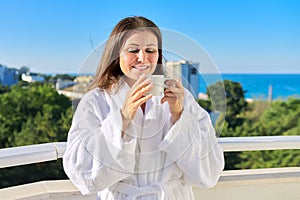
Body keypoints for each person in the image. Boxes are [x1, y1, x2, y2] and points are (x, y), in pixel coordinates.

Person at [63, 16, 224, 200]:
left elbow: (210, 172)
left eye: (150, 50)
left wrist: (180, 116)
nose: (143, 57)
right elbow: (80, 172)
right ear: (116, 54)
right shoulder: (95, 101)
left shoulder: (181, 97)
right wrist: (122, 117)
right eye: (133, 50)